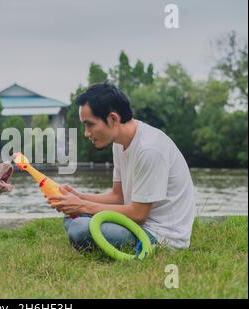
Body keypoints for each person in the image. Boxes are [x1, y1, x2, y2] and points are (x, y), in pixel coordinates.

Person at [48, 82, 195, 250]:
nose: (86, 133)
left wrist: (82, 206)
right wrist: (78, 197)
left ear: (112, 119)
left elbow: (139, 214)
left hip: (160, 235)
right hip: (134, 224)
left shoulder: (149, 149)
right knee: (72, 216)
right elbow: (118, 196)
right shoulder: (119, 143)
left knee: (80, 228)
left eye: (90, 124)